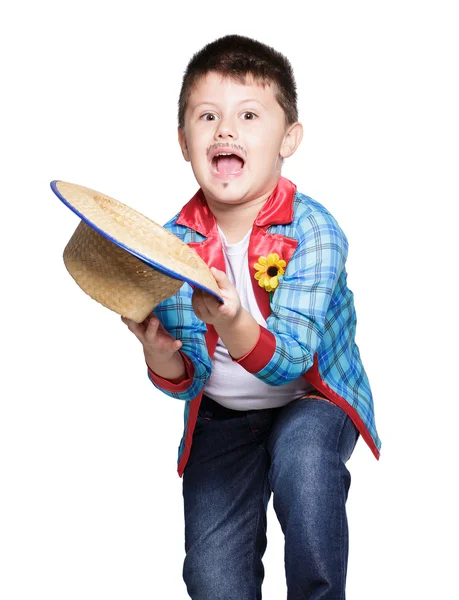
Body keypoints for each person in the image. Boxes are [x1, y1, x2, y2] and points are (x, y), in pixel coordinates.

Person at [122, 34, 381, 600]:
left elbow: (289, 358)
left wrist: (234, 322)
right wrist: (160, 355)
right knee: (212, 576)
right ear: (184, 141)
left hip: (310, 398)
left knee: (306, 466)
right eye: (207, 116)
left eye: (248, 115)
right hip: (222, 414)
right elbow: (187, 374)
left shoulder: (314, 231)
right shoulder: (171, 247)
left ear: (289, 138)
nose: (225, 130)